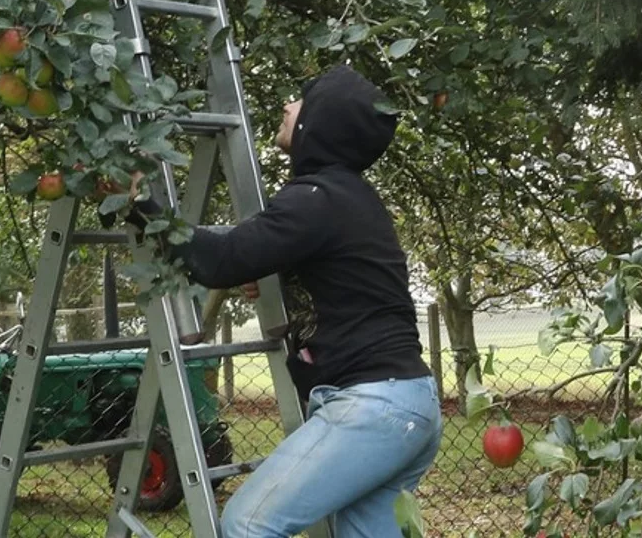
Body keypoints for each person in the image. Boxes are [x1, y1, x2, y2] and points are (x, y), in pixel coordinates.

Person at [135, 64, 440, 538]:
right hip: (409, 403)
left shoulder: (316, 198)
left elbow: (219, 261)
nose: (287, 106)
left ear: (321, 124)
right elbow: (335, 272)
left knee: (247, 524)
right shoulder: (347, 197)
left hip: (373, 405)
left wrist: (142, 204)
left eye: (300, 101)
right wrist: (275, 271)